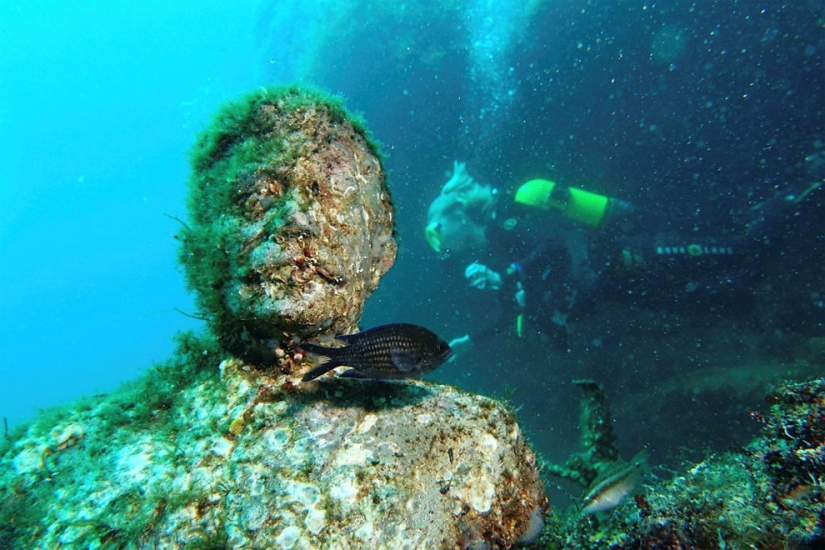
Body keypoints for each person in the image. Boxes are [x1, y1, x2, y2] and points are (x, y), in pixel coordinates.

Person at [425, 159, 822, 361]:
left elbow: (556, 246)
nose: (441, 243)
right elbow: (527, 296)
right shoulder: (502, 239)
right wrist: (473, 340)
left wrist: (512, 273)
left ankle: (801, 192)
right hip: (618, 281)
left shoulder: (507, 220)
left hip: (628, 258)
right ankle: (786, 205)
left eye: (438, 229)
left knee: (739, 251)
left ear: (458, 213)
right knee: (720, 295)